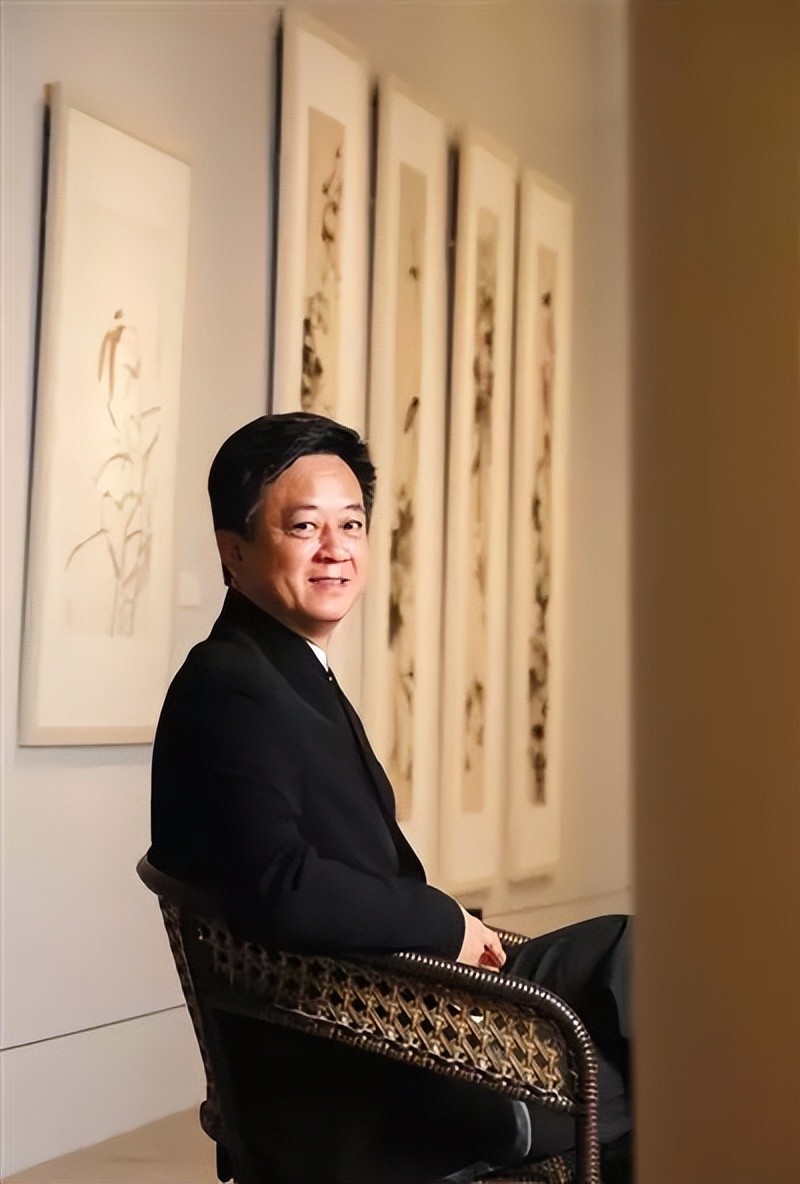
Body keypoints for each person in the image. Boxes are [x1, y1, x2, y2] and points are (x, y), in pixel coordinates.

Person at [149, 411, 631, 1184]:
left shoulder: (283, 672)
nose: (336, 548)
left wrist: (456, 928)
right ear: (232, 549)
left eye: (352, 524)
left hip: (409, 1010)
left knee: (629, 958)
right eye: (304, 527)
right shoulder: (230, 686)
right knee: (654, 1070)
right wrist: (444, 922)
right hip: (369, 1073)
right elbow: (282, 887)